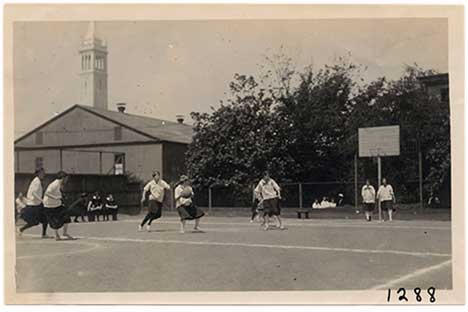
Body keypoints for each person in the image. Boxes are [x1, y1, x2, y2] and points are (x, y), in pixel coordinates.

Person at [17, 168, 50, 238]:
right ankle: (20, 229)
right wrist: (41, 200)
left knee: (45, 219)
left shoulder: (37, 181)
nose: (44, 174)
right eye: (42, 173)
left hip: (37, 204)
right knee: (34, 222)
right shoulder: (36, 181)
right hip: (33, 205)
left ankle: (44, 234)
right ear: (39, 173)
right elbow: (34, 193)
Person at [43, 171, 74, 240]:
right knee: (55, 221)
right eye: (66, 178)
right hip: (49, 205)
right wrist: (55, 198)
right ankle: (56, 235)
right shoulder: (55, 184)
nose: (67, 180)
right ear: (63, 178)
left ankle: (65, 233)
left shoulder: (61, 184)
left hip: (57, 204)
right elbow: (47, 193)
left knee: (66, 216)